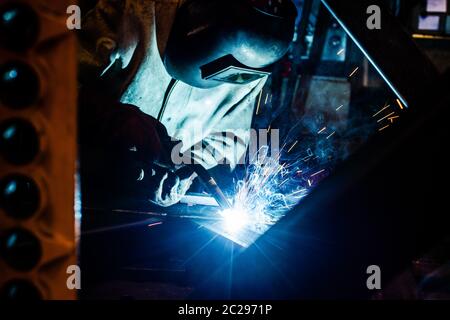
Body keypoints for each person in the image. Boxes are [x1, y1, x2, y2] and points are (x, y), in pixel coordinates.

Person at [78, 0, 295, 207]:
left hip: (140, 209)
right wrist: (107, 117)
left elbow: (228, 138)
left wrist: (186, 164)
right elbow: (54, 85)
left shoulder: (255, 60)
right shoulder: (132, 12)